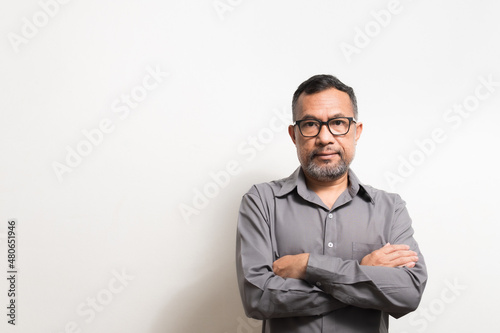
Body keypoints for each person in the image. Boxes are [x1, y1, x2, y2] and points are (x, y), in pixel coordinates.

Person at [235, 74, 427, 333]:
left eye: (338, 122)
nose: (325, 137)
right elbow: (258, 298)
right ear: (294, 134)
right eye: (311, 124)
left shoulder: (390, 209)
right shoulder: (261, 201)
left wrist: (308, 266)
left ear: (356, 132)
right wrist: (363, 275)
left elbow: (408, 293)